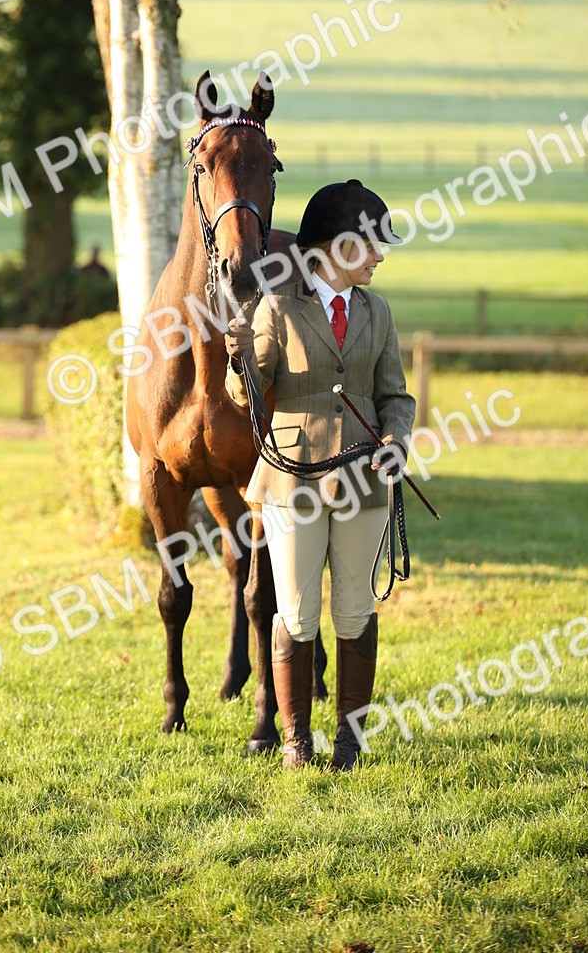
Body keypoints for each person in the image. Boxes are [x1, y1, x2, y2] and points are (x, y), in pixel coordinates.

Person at [224, 178, 415, 771]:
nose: (381, 255)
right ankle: (296, 742)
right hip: (292, 479)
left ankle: (350, 743)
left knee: (355, 610)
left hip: (362, 479)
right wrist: (239, 358)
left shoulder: (379, 313)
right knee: (298, 611)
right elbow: (244, 396)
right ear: (334, 247)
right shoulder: (277, 309)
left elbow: (396, 397)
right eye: (371, 243)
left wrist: (396, 442)